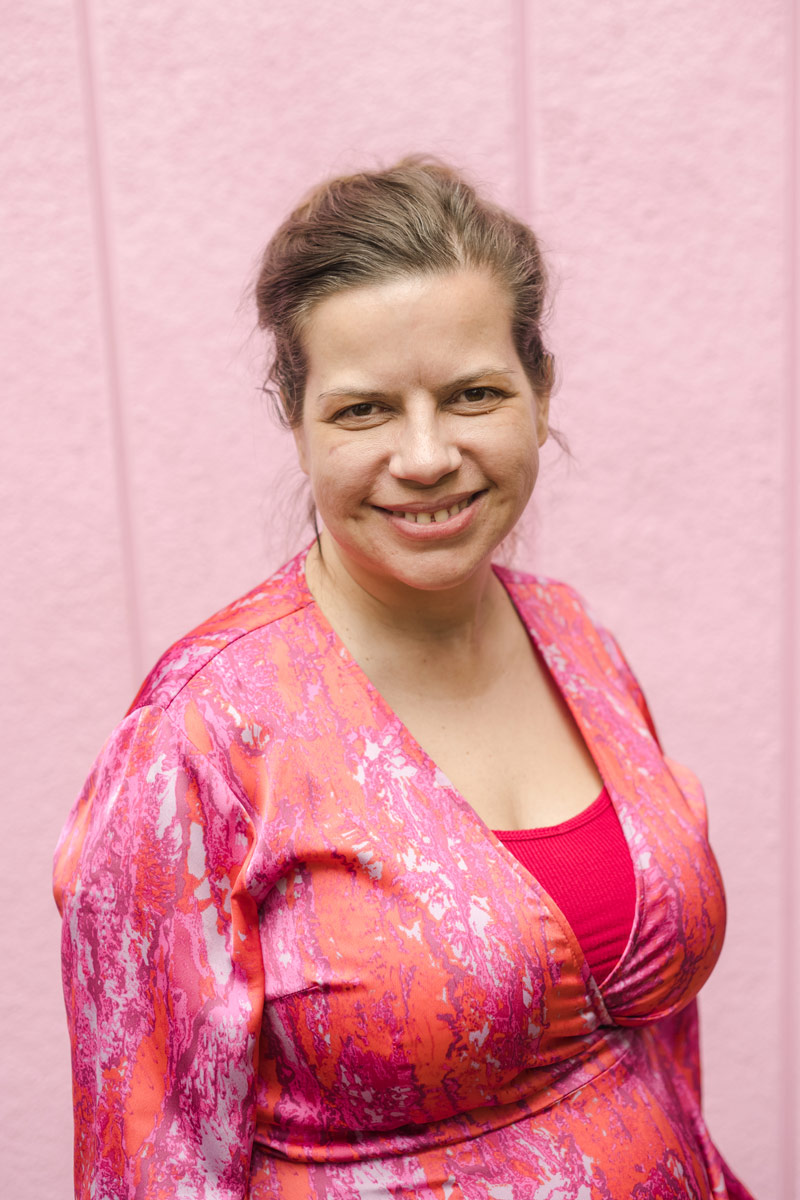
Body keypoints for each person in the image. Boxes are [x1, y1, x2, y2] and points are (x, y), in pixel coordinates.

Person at [54, 157, 755, 1199]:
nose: (425, 456)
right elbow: (146, 1155)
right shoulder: (199, 735)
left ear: (537, 390)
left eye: (471, 394)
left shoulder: (575, 640)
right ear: (294, 419)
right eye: (363, 411)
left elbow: (659, 1046)